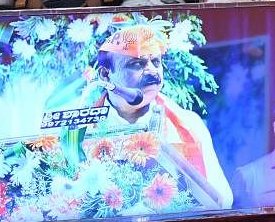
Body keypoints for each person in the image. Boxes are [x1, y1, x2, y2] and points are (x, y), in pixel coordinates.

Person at [78, 25, 233, 209]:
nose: (152, 71)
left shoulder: (189, 124)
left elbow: (222, 200)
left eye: (156, 62)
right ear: (105, 74)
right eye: (137, 64)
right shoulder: (80, 131)